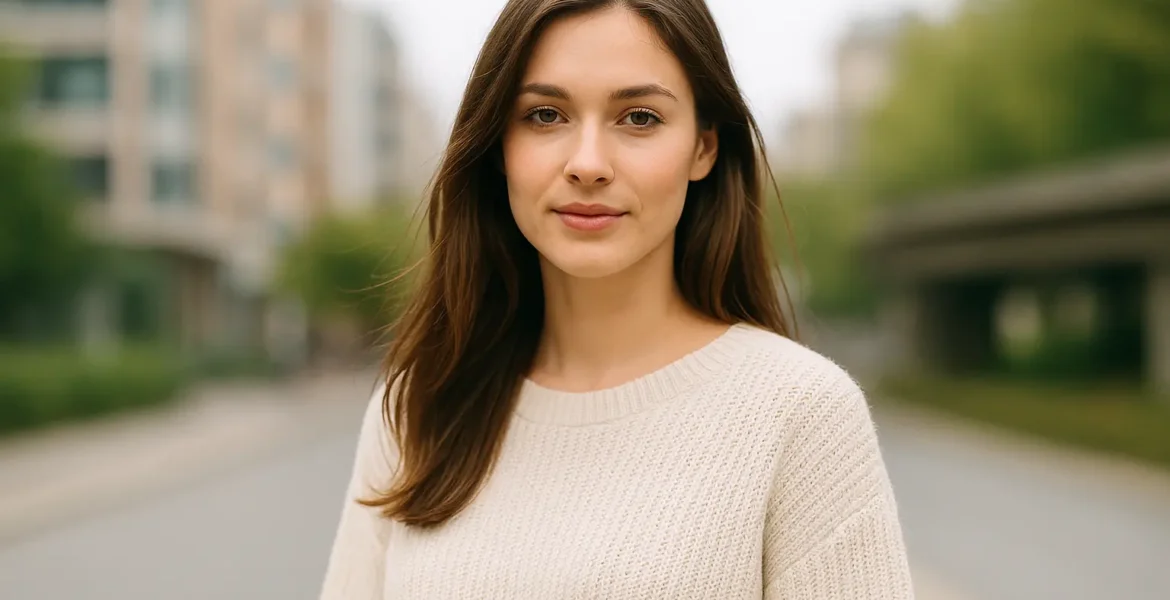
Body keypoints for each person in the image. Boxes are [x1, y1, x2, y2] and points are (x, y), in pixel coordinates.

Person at [319, 0, 915, 598]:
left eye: (639, 118)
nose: (588, 165)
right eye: (546, 115)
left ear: (704, 148)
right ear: (499, 144)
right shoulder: (421, 406)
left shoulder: (799, 413)